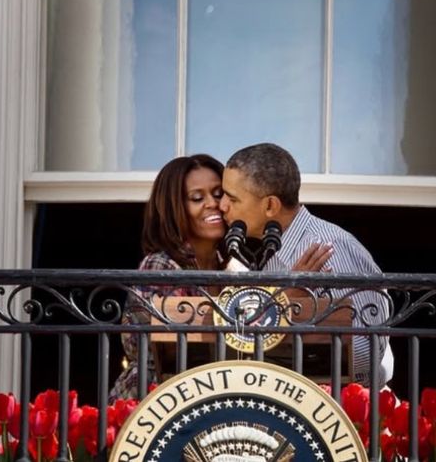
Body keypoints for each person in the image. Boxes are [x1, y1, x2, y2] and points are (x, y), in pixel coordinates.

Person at [111, 153, 332, 401]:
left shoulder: (235, 269)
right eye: (197, 198)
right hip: (155, 402)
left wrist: (288, 300)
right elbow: (172, 349)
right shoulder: (160, 265)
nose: (214, 204)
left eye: (219, 194)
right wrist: (283, 298)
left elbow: (252, 347)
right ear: (174, 209)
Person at [219, 142, 393, 386]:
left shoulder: (326, 246)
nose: (222, 206)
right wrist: (285, 301)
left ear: (270, 206)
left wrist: (291, 312)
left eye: (233, 198)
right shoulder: (269, 249)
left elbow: (367, 355)